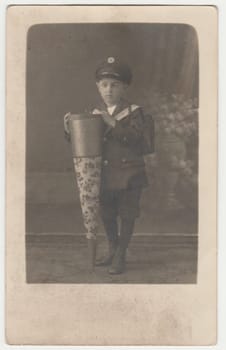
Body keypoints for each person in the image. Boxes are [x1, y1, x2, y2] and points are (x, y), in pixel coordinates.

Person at [93, 56, 148, 274]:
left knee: (127, 214)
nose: (109, 90)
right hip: (106, 174)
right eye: (104, 85)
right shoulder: (96, 113)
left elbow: (138, 139)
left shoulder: (135, 111)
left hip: (129, 174)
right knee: (107, 213)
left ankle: (121, 254)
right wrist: (70, 128)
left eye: (114, 85)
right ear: (98, 87)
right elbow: (87, 142)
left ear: (124, 87)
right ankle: (112, 249)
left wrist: (112, 122)